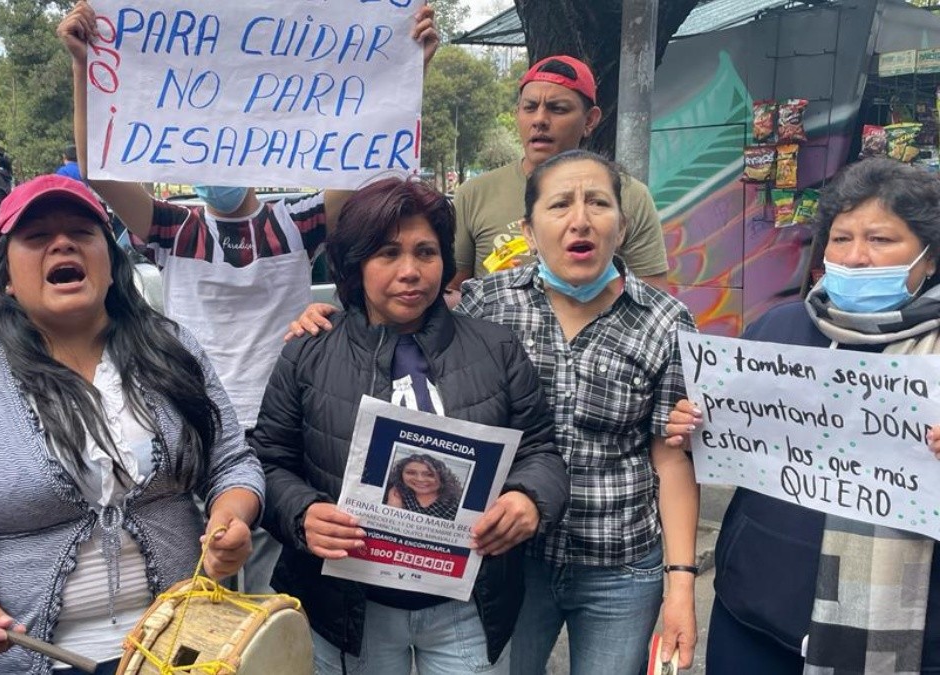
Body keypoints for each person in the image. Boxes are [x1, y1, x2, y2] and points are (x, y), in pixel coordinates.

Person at [58, 0, 440, 594]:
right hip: (193, 414)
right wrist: (86, 69)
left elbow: (369, 145)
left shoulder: (299, 221)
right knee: (198, 562)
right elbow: (100, 169)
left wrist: (407, 67)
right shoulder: (172, 226)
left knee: (268, 578)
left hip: (281, 417)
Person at [286, 150, 700, 673]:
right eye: (560, 205)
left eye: (598, 203)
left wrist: (679, 581)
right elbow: (405, 317)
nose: (580, 220)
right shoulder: (487, 303)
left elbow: (673, 458)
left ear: (623, 222)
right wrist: (329, 319)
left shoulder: (666, 322)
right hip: (509, 564)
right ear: (529, 230)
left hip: (619, 563)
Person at [0, 175, 264, 675]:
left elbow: (232, 460)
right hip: (20, 661)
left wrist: (231, 515)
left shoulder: (172, 349)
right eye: (36, 237)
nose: (62, 243)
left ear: (110, 262)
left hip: (185, 654)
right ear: (7, 278)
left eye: (83, 232)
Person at [253, 176, 569, 674]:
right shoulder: (307, 352)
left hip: (467, 606)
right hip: (348, 609)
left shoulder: (495, 347)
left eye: (426, 252)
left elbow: (541, 451)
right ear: (355, 263)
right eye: (387, 253)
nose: (410, 272)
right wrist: (303, 514)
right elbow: (269, 462)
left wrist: (529, 498)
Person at [665, 157, 940, 674]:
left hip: (901, 638)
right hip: (752, 614)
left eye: (881, 240)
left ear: (928, 257)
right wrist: (695, 426)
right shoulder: (779, 329)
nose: (856, 258)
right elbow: (732, 439)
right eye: (841, 239)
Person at [449, 55, 669, 298]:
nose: (540, 120)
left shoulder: (630, 196)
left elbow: (652, 298)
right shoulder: (474, 194)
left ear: (590, 120)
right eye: (529, 108)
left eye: (558, 109)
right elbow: (454, 292)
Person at [384, 453, 463, 520]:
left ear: (442, 478)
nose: (420, 479)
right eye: (411, 473)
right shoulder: (396, 492)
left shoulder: (455, 504)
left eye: (429, 475)